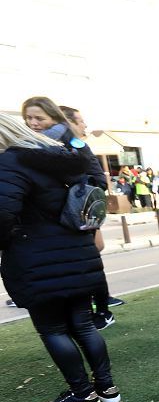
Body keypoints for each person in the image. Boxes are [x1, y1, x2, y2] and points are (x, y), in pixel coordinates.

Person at [0, 115, 121, 402]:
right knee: (82, 324)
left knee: (52, 329)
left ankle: (82, 394)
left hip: (37, 259)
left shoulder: (10, 163)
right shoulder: (60, 156)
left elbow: (3, 214)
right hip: (77, 252)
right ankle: (106, 388)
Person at [21, 99, 123, 323]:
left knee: (84, 268)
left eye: (39, 118)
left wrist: (71, 189)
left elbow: (96, 180)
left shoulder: (73, 144)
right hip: (45, 224)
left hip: (73, 219)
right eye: (29, 118)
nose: (33, 123)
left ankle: (102, 310)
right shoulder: (25, 145)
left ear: (54, 117)